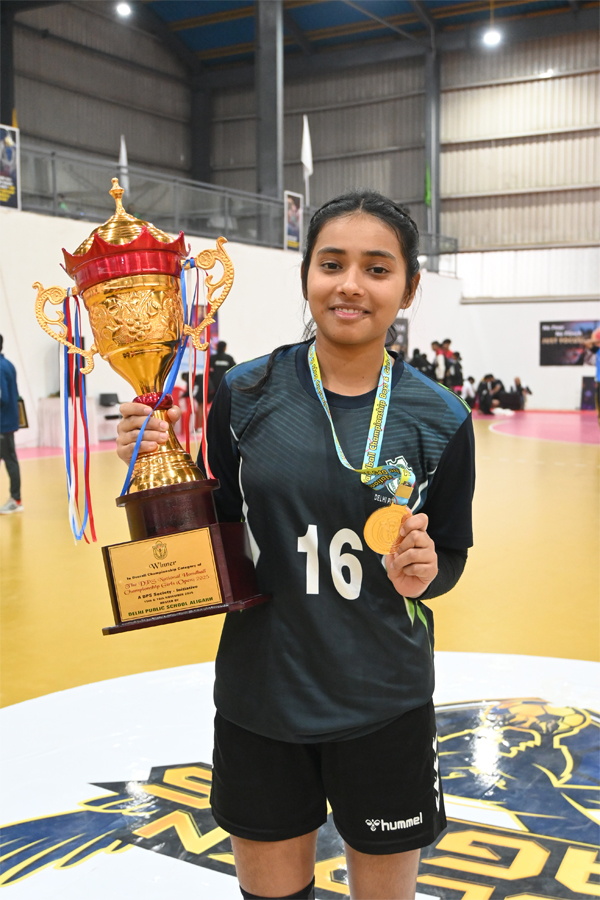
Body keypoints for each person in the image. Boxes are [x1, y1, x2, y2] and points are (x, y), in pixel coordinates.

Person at [116, 190, 475, 900]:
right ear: (306, 273)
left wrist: (426, 573)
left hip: (385, 700)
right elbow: (217, 529)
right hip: (262, 698)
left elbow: (451, 554)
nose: (350, 285)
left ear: (409, 288)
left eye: (377, 268)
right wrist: (158, 474)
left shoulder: (441, 417)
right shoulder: (245, 393)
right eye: (331, 264)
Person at [0, 335, 23, 514]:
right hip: (6, 420)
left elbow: (3, 397)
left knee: (10, 461)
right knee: (9, 460)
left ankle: (16, 500)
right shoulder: (7, 364)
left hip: (3, 423)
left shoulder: (1, 367)